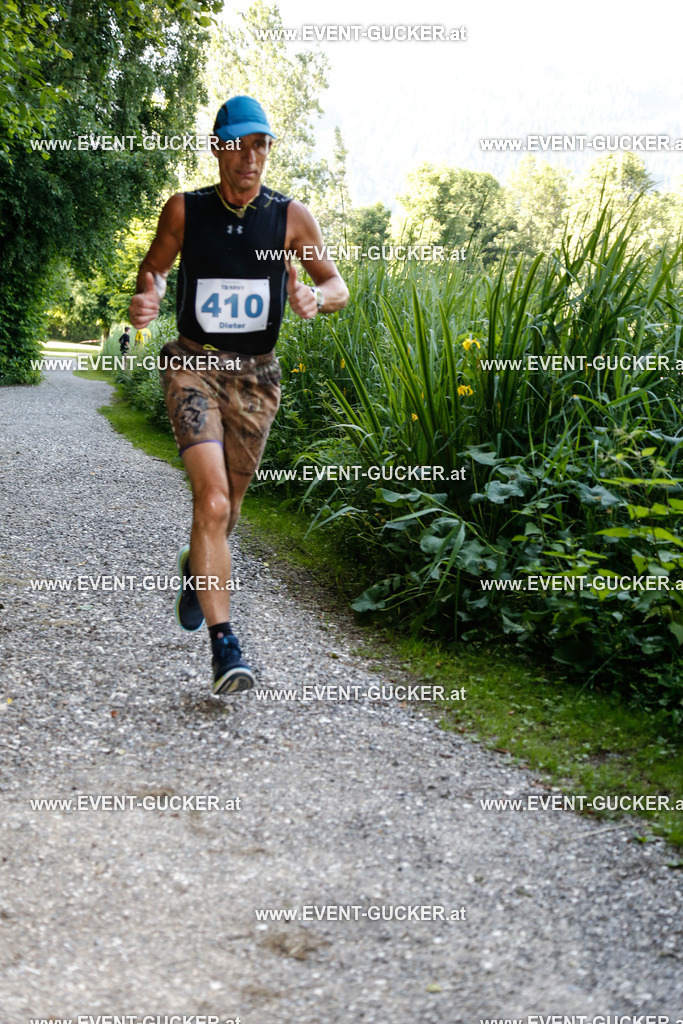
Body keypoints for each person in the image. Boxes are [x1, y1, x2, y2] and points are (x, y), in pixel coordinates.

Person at [128, 95, 349, 696]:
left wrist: (316, 299)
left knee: (227, 513)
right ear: (218, 148)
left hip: (256, 378)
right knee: (216, 501)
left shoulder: (289, 218)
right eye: (240, 145)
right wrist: (145, 300)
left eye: (262, 146)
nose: (251, 159)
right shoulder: (183, 211)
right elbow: (153, 272)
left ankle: (196, 568)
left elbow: (336, 284)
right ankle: (225, 646)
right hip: (192, 367)